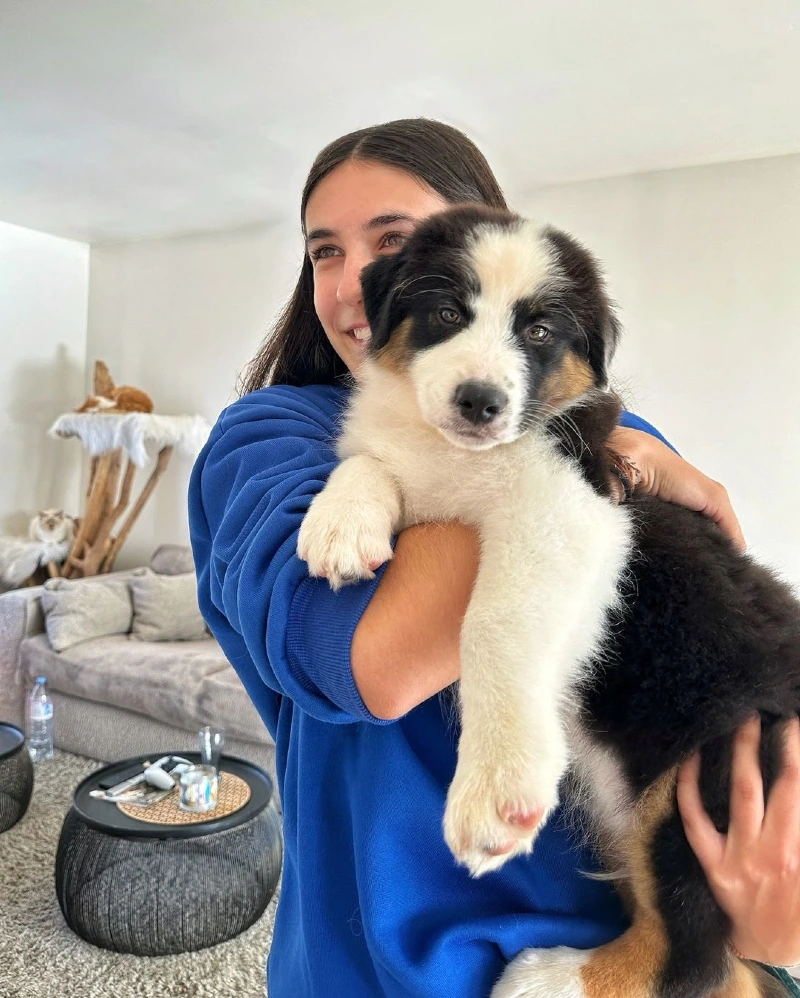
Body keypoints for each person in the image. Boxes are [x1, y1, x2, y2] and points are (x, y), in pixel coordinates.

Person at [188, 118, 800, 997]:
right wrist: (374, 485)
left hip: (625, 913)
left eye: (391, 238)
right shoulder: (273, 435)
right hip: (382, 965)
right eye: (325, 250)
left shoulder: (601, 427)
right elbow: (371, 661)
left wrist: (764, 934)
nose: (357, 279)